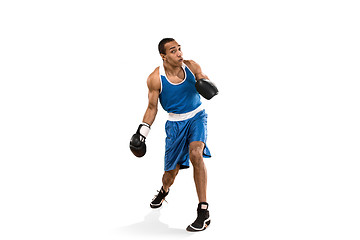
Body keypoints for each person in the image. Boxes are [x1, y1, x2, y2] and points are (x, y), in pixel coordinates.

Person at [129, 38, 218, 232]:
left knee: (196, 154)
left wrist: (205, 81)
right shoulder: (155, 78)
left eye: (179, 49)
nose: (179, 53)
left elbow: (203, 77)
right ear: (163, 56)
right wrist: (142, 132)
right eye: (173, 50)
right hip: (175, 124)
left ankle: (203, 211)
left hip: (196, 117)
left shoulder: (191, 66)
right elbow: (152, 108)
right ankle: (164, 190)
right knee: (170, 175)